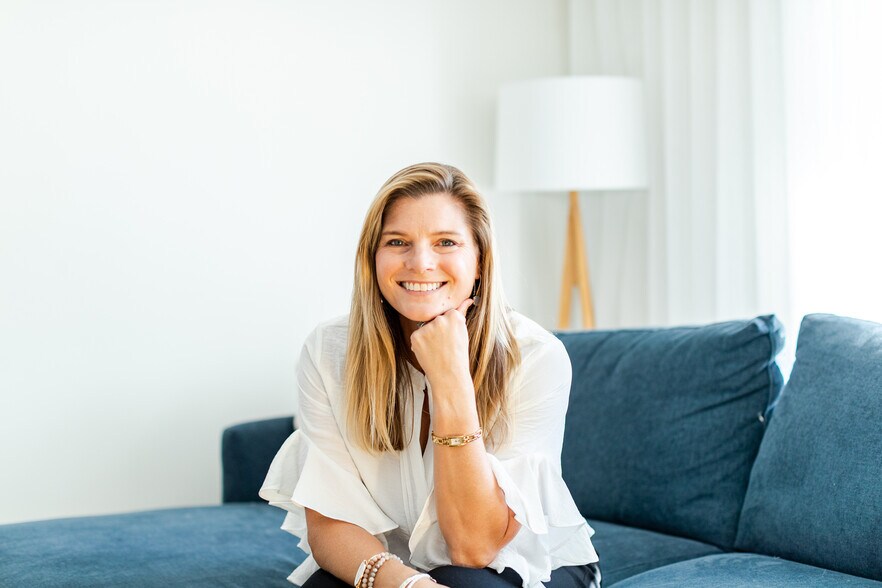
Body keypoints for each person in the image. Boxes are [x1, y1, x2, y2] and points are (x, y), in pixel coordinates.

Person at [260, 163, 601, 588]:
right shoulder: (328, 351)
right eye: (397, 242)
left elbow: (474, 548)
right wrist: (407, 584)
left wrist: (450, 376)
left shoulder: (534, 357)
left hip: (521, 566)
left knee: (464, 580)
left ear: (480, 261)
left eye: (446, 242)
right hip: (401, 565)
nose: (420, 263)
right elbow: (331, 524)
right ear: (372, 259)